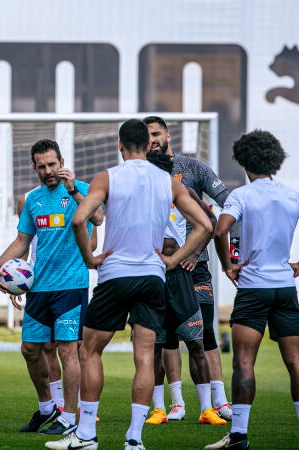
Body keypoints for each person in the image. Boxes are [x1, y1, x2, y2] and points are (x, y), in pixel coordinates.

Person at [46, 119, 212, 450]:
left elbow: (80, 219)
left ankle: (86, 434)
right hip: (152, 277)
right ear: (148, 145)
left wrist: (90, 258)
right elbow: (205, 225)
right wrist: (173, 260)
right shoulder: (168, 182)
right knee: (145, 356)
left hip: (115, 275)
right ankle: (134, 439)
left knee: (90, 351)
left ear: (120, 145)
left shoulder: (108, 177)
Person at [205, 130, 299, 450]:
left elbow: (220, 231)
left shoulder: (241, 196)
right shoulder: (294, 196)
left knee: (244, 362)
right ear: (275, 160)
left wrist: (228, 266)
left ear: (244, 161)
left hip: (253, 288)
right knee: (297, 361)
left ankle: (239, 436)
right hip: (285, 289)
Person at [0, 139, 103, 436]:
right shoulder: (33, 200)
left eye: (52, 164)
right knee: (30, 349)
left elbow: (98, 218)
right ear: (34, 168)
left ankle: (69, 417)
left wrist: (73, 191)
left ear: (62, 162)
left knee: (67, 351)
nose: (48, 170)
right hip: (38, 286)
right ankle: (47, 408)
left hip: (71, 285)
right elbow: (22, 241)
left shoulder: (83, 189)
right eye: (42, 166)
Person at [143, 116, 233, 421]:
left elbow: (226, 205)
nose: (153, 140)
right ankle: (176, 403)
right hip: (160, 270)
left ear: (168, 135)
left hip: (195, 265)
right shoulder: (143, 177)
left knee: (203, 333)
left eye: (156, 133)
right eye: (147, 136)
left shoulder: (193, 169)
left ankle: (218, 401)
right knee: (165, 336)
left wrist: (195, 251)